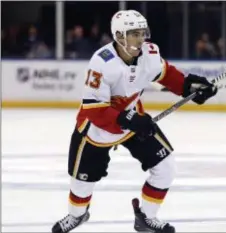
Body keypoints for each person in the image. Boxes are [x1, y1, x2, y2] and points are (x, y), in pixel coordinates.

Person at [52, 10, 217, 233]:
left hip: (133, 120)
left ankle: (146, 216)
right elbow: (95, 110)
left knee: (166, 167)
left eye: (142, 33)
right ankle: (77, 215)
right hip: (97, 129)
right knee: (81, 181)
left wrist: (189, 86)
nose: (141, 38)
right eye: (134, 34)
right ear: (119, 36)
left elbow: (166, 74)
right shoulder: (101, 62)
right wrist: (129, 120)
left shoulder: (149, 52)